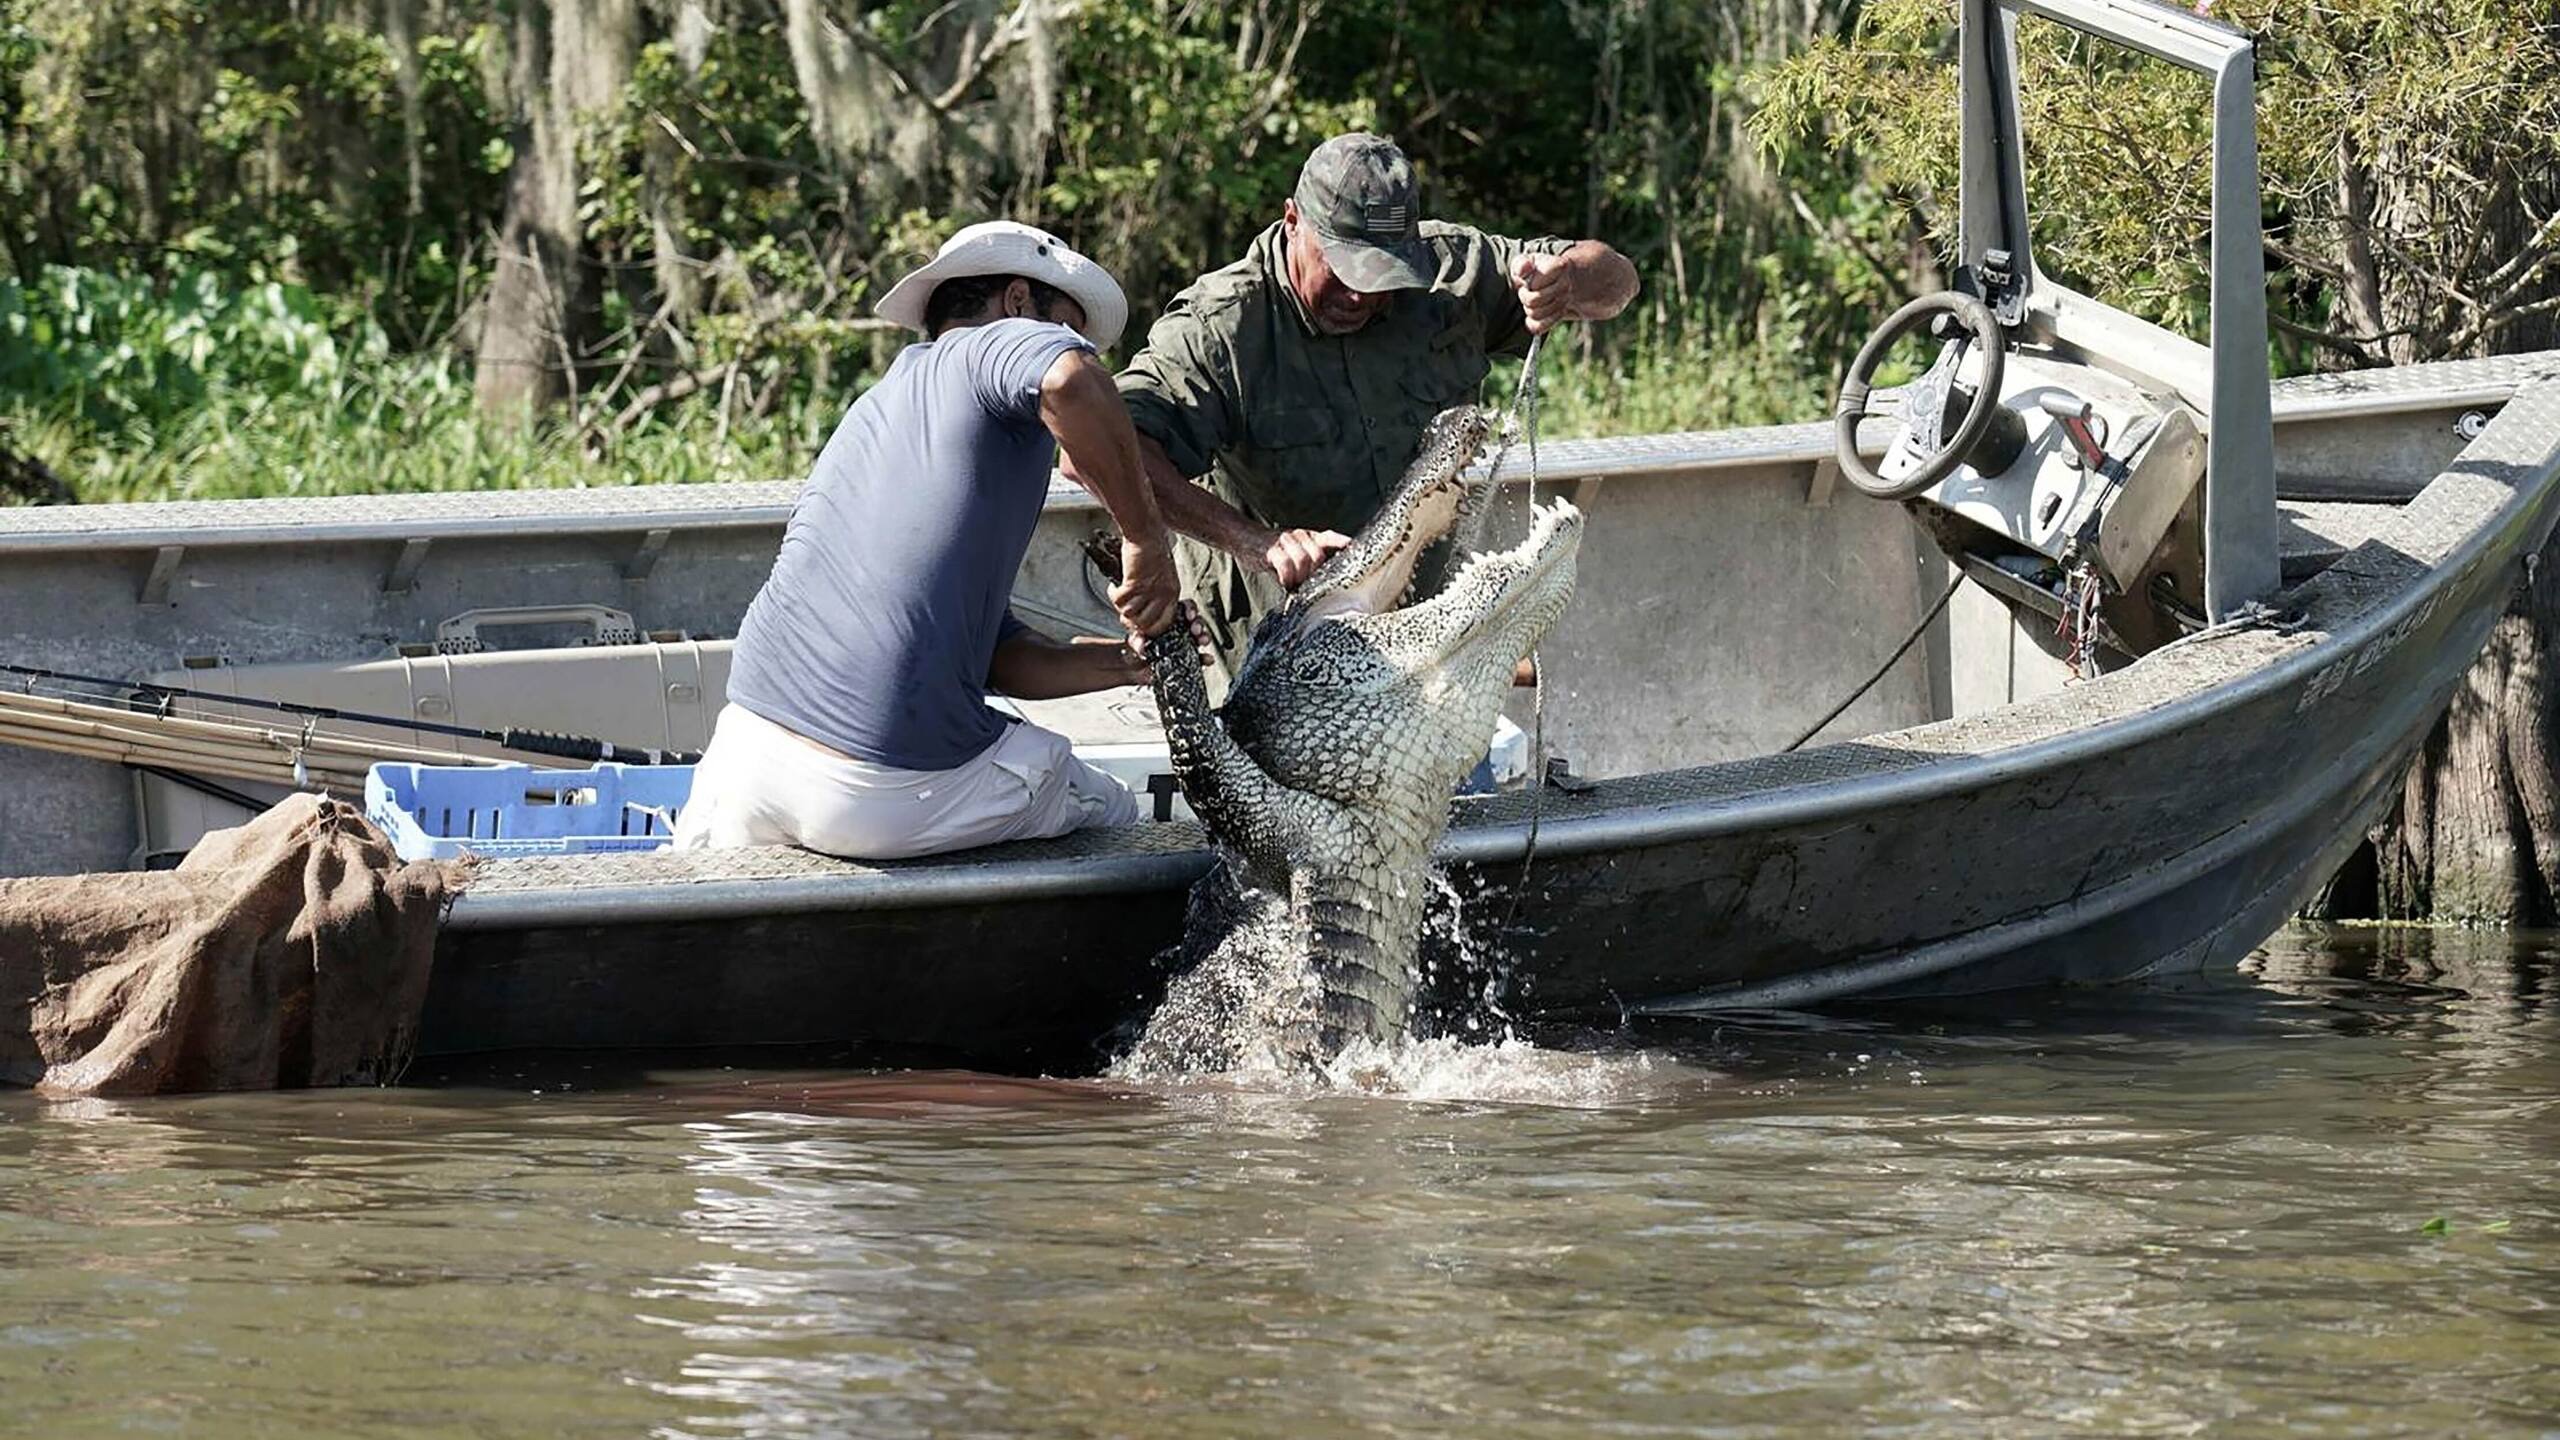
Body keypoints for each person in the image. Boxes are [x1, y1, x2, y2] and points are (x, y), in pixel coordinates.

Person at [674, 221, 1181, 860]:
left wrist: (1130, 664)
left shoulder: (879, 403)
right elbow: (1069, 381)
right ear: (1017, 301)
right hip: (877, 786)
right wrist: (1147, 542)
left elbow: (995, 658)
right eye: (1067, 330)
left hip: (745, 757)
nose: (1075, 348)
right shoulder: (984, 351)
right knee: (1115, 809)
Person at [1108, 132, 1639, 692]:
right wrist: (1254, 542)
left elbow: (1619, 282)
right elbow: (1105, 447)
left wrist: (1566, 279)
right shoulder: (1223, 326)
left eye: (1385, 272)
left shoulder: (1450, 272)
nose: (1361, 295)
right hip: (1272, 659)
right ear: (1293, 221)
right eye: (1344, 268)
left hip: (1424, 649)